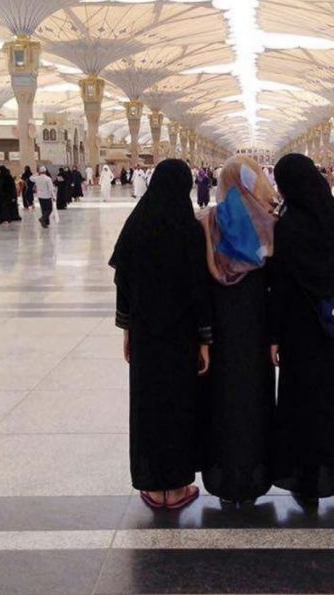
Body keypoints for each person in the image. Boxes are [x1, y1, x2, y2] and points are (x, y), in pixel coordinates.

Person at [268, 153, 334, 501]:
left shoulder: (287, 226)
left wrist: (274, 337)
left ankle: (308, 481)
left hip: (302, 334)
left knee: (305, 404)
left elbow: (280, 286)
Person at [109, 159, 212, 510]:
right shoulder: (189, 229)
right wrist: (204, 339)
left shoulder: (136, 225)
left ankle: (154, 487)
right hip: (181, 338)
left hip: (147, 336)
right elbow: (200, 289)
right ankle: (179, 485)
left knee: (149, 406)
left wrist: (127, 330)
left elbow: (123, 280)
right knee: (180, 405)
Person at [198, 156, 278, 503]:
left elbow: (199, 282)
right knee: (254, 401)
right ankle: (255, 477)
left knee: (223, 401)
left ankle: (224, 479)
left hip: (220, 331)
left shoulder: (207, 222)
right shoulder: (269, 225)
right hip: (256, 330)